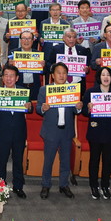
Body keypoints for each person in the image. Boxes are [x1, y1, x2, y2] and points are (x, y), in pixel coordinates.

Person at [0, 64, 33, 198]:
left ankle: (18, 186)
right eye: (6, 75)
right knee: (1, 161)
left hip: (19, 132)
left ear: (17, 78)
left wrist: (29, 107)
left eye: (11, 76)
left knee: (18, 161)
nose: (8, 78)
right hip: (3, 132)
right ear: (2, 78)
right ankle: (0, 187)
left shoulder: (23, 91)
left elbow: (30, 110)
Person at [37, 62, 82, 200]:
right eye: (58, 73)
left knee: (66, 161)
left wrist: (79, 107)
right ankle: (46, 185)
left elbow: (75, 110)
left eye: (64, 73)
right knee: (48, 161)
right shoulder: (45, 90)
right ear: (52, 75)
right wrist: (43, 108)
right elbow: (38, 108)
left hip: (66, 131)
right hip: (51, 131)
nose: (61, 76)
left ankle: (64, 185)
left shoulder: (72, 90)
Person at [82, 66, 111, 200]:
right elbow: (84, 112)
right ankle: (93, 185)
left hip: (110, 131)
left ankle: (105, 185)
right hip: (95, 131)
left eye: (108, 75)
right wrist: (89, 108)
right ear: (99, 77)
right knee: (94, 160)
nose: (106, 77)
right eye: (103, 75)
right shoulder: (91, 92)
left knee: (107, 160)